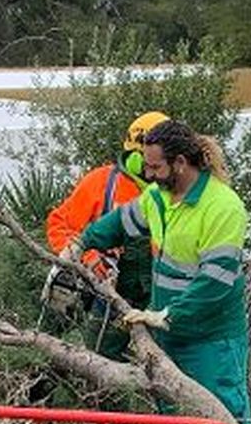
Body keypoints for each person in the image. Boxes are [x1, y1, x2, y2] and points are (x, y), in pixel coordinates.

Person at [66, 119, 251, 424]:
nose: (148, 174)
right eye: (146, 166)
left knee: (223, 419)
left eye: (155, 167)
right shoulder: (158, 196)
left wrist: (168, 315)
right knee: (174, 419)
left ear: (180, 163)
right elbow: (120, 222)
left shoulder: (222, 207)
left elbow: (215, 281)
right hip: (167, 332)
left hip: (211, 338)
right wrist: (80, 243)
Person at [44, 111, 165, 358]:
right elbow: (59, 224)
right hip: (110, 293)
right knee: (99, 357)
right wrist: (87, 256)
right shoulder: (102, 183)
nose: (149, 168)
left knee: (161, 362)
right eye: (144, 158)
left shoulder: (173, 192)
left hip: (160, 293)